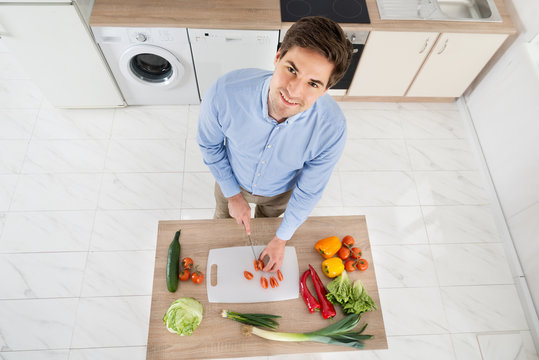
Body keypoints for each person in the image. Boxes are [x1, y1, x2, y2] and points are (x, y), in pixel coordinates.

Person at [197, 16, 353, 272]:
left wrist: (281, 239)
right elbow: (210, 145)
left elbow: (308, 191)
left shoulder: (332, 129)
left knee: (268, 224)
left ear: (325, 90)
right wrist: (233, 195)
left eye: (313, 83)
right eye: (291, 69)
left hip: (281, 193)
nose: (293, 91)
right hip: (232, 180)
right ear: (278, 57)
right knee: (221, 229)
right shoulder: (225, 92)